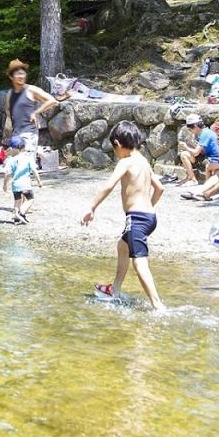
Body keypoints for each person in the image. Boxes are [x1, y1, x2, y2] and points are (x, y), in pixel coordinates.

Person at [80, 121, 165, 310]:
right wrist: (148, 207)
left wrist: (91, 207)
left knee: (139, 262)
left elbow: (109, 185)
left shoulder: (125, 162)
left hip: (136, 218)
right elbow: (160, 188)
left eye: (114, 149)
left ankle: (158, 306)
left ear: (117, 144)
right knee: (122, 246)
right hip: (150, 217)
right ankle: (115, 289)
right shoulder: (143, 161)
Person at [3, 59, 58, 162]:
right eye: (18, 74)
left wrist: (36, 112)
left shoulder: (31, 90)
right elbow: (8, 111)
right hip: (16, 134)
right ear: (11, 77)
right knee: (16, 164)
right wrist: (8, 124)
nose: (21, 76)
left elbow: (52, 100)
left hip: (29, 133)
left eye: (23, 73)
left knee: (26, 164)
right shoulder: (10, 94)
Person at [3, 136, 43, 224]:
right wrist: (39, 182)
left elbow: (7, 174)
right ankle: (21, 213)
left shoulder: (11, 160)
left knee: (17, 200)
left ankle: (16, 218)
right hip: (25, 185)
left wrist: (5, 185)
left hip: (15, 185)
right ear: (24, 147)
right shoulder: (28, 158)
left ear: (12, 148)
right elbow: (34, 171)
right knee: (30, 199)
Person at [177, 114, 219, 187]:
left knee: (184, 154)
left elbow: (196, 153)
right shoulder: (203, 132)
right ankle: (190, 177)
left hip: (213, 160)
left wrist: (186, 147)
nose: (190, 131)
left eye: (190, 129)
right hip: (207, 157)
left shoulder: (205, 134)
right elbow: (202, 151)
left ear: (196, 126)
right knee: (185, 154)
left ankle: (193, 180)